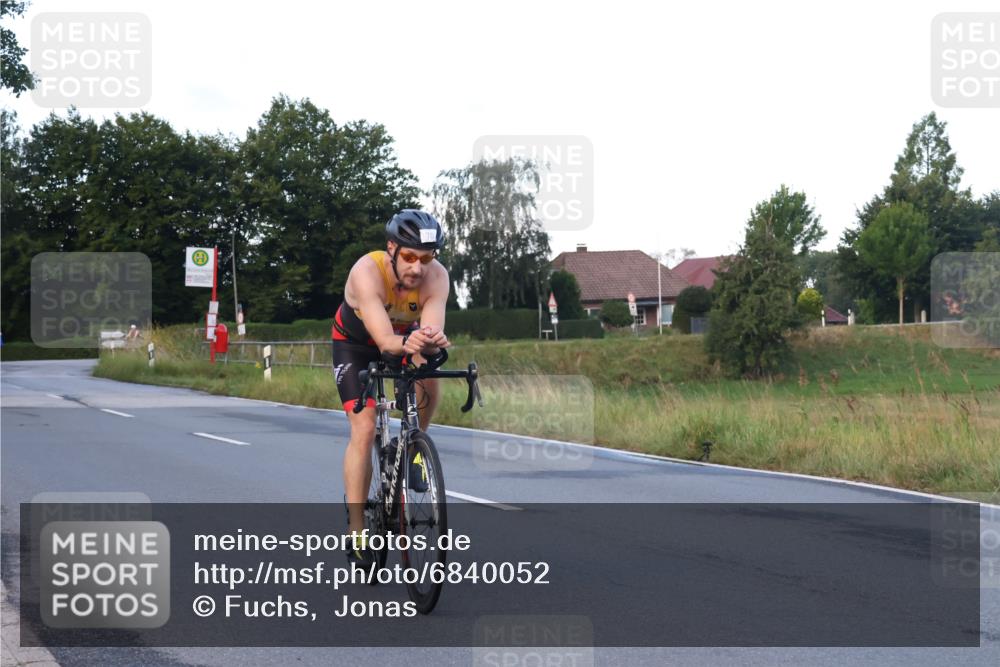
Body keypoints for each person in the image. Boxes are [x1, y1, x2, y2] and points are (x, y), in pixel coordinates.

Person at [332, 209, 450, 566]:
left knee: (428, 374)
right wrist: (416, 341)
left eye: (426, 259)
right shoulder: (367, 272)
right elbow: (384, 342)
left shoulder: (438, 278)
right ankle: (356, 530)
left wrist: (434, 341)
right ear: (392, 249)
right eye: (410, 257)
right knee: (365, 428)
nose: (417, 268)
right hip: (357, 343)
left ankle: (415, 446)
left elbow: (426, 336)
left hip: (403, 338)